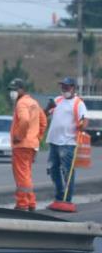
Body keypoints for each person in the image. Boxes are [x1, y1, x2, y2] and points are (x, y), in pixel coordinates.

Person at [45, 77, 88, 207]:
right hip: (54, 141)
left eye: (67, 86)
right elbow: (44, 114)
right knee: (53, 170)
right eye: (62, 86)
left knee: (67, 171)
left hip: (68, 143)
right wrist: (47, 108)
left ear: (73, 88)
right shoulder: (57, 100)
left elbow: (84, 120)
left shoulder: (78, 103)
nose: (64, 88)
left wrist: (82, 126)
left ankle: (67, 199)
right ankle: (59, 196)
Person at [8, 78, 47, 211]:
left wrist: (19, 136)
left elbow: (24, 120)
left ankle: (22, 203)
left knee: (21, 175)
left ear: (22, 90)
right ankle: (30, 203)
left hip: (22, 145)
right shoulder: (34, 103)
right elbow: (43, 122)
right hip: (31, 145)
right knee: (26, 174)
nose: (12, 93)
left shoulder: (22, 103)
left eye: (14, 90)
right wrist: (37, 138)